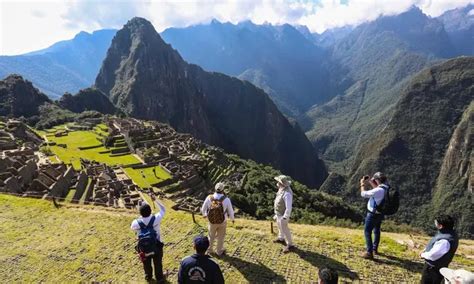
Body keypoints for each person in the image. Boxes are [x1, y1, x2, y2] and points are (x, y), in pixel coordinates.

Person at [130, 193, 166, 283]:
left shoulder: (136, 223)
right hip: (157, 245)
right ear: (150, 211)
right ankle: (159, 278)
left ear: (140, 213)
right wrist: (155, 200)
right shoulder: (156, 218)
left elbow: (132, 228)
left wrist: (140, 218)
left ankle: (148, 277)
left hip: (144, 248)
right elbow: (163, 209)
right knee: (158, 263)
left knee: (146, 263)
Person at [420, 215, 459, 284]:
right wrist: (426, 249)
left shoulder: (444, 240)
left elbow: (433, 255)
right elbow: (436, 246)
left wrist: (423, 255)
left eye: (436, 223)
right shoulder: (449, 233)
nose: (435, 224)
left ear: (441, 226)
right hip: (439, 267)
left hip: (433, 269)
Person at [201, 182, 235, 256]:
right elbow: (230, 211)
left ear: (215, 189)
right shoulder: (226, 199)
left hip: (211, 221)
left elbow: (203, 208)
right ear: (223, 190)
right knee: (221, 237)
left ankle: (210, 250)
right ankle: (219, 251)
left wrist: (205, 215)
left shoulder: (209, 197)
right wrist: (232, 219)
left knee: (211, 236)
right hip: (222, 221)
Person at [360, 172, 388, 259]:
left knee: (367, 231)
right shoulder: (386, 187)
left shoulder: (378, 190)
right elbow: (377, 190)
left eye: (375, 179)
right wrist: (370, 181)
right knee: (377, 230)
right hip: (380, 214)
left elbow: (363, 194)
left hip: (373, 214)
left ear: (377, 180)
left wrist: (362, 184)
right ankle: (375, 249)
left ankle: (369, 252)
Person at [273, 175, 295, 253]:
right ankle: (281, 238)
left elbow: (288, 207)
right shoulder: (281, 189)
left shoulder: (287, 193)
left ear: (282, 183)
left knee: (285, 228)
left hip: (283, 215)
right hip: (279, 213)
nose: (277, 183)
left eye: (278, 182)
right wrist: (276, 214)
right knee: (279, 226)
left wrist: (285, 217)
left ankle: (290, 245)